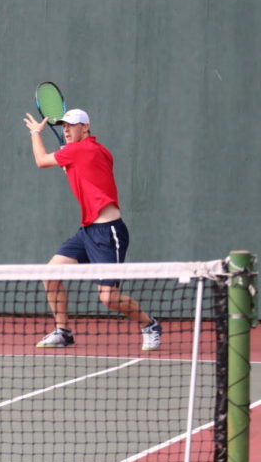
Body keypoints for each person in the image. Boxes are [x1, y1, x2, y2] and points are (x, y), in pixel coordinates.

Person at [22, 108, 162, 351]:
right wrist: (69, 160)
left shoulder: (79, 150)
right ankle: (63, 332)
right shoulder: (96, 150)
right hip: (87, 231)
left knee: (109, 298)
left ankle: (149, 325)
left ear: (85, 127)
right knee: (50, 275)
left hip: (109, 233)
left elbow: (41, 160)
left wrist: (35, 133)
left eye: (71, 126)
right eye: (63, 126)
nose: (66, 130)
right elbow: (90, 170)